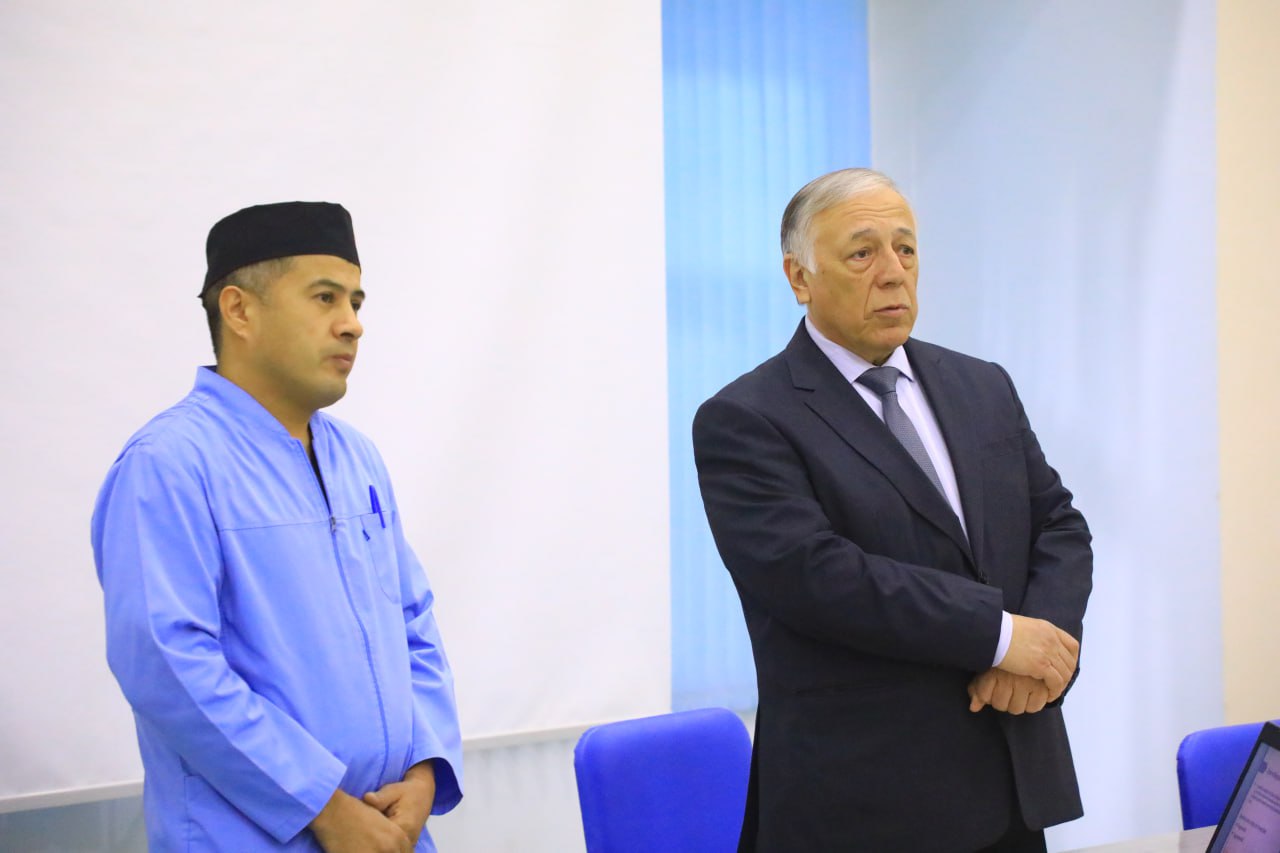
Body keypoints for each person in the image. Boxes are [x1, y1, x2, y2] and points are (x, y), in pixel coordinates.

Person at [692, 169, 1092, 852]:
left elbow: (1057, 523)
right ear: (799, 277)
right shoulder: (746, 418)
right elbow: (817, 577)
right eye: (862, 252)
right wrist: (997, 635)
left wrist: (1041, 648)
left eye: (905, 249)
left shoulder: (981, 385)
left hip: (1009, 787)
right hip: (862, 806)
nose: (893, 272)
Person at [92, 202, 462, 853]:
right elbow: (169, 667)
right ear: (239, 310)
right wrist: (321, 806)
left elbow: (413, 621)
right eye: (325, 297)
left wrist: (425, 770)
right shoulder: (169, 464)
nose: (352, 324)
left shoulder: (357, 458)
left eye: (355, 301)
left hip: (389, 831)